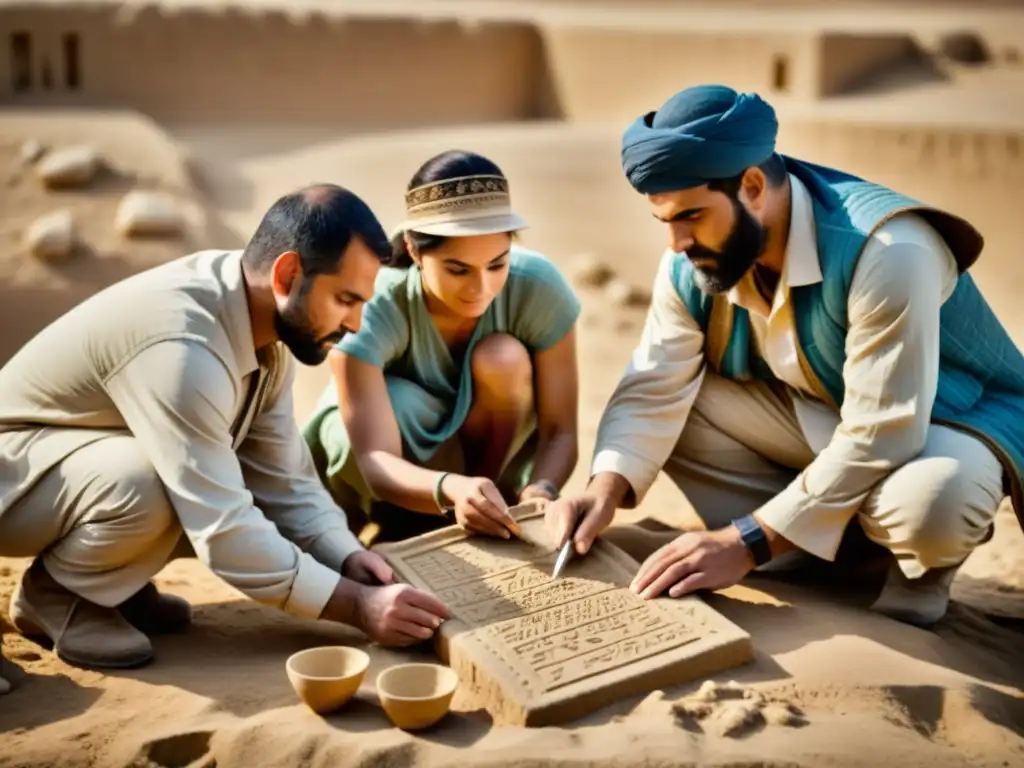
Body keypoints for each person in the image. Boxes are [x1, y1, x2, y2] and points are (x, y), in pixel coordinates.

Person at [545, 84, 1024, 628]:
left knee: (932, 505)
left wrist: (746, 543)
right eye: (666, 222)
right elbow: (654, 383)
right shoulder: (692, 262)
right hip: (828, 414)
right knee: (676, 409)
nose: (677, 242)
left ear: (751, 186)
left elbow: (885, 430)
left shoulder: (888, 250)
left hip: (948, 423)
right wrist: (602, 488)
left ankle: (910, 574)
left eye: (692, 216)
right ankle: (813, 548)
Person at [0, 184, 450, 677]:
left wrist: (345, 556)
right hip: (16, 473)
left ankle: (113, 582)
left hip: (68, 467)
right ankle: (58, 594)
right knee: (151, 483)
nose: (357, 323)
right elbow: (224, 529)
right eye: (346, 299)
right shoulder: (184, 348)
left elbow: (285, 479)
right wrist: (358, 608)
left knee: (211, 466)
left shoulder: (264, 328)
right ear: (288, 274)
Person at [302, 150, 581, 545]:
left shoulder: (537, 287)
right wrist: (450, 490)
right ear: (415, 251)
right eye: (457, 269)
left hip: (492, 481)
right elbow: (373, 457)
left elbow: (561, 430)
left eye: (497, 265)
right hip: (394, 482)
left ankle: (487, 510)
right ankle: (396, 523)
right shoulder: (373, 304)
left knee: (503, 357)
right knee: (378, 409)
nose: (480, 289)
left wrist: (541, 492)